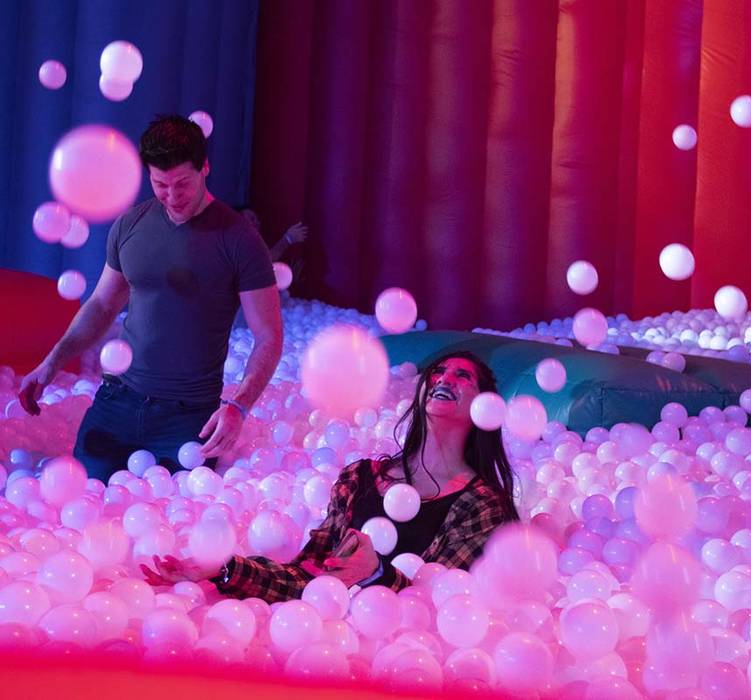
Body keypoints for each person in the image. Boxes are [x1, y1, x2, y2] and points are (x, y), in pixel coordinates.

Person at [18, 115, 283, 479]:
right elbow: (101, 305)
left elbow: (269, 335)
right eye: (160, 184)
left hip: (188, 415)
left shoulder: (239, 240)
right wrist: (52, 361)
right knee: (81, 501)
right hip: (117, 402)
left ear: (204, 167)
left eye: (182, 184)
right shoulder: (131, 225)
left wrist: (238, 405)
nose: (172, 197)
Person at [141, 351, 519, 598]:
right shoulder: (360, 477)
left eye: (462, 376)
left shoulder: (482, 506)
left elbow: (444, 602)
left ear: (484, 406)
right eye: (437, 371)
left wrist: (376, 575)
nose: (443, 379)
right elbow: (307, 577)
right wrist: (224, 568)